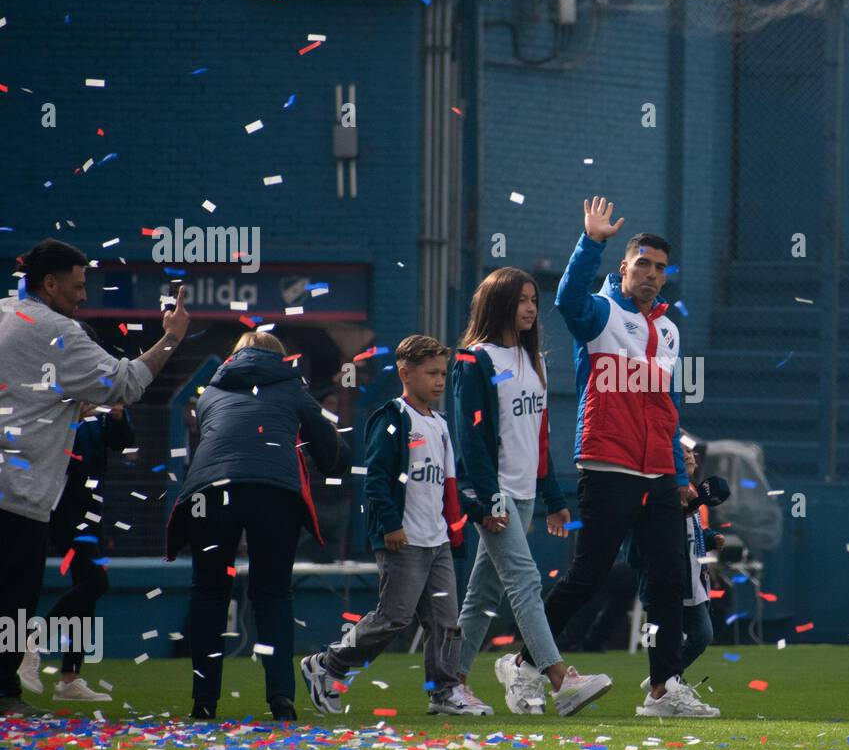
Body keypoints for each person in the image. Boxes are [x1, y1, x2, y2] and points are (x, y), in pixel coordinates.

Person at [518, 195, 715, 717]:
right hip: (607, 465)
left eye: (659, 268)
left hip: (657, 475)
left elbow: (666, 409)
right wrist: (592, 241)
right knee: (589, 575)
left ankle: (662, 689)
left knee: (668, 582)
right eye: (642, 265)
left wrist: (676, 475)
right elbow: (566, 301)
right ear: (624, 267)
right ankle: (523, 662)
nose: (651, 274)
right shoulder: (601, 311)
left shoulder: (669, 330)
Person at [0, 239, 189, 715]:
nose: (84, 296)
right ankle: (5, 693)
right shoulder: (56, 331)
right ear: (50, 283)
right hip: (18, 492)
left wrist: (57, 397)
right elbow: (124, 382)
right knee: (13, 599)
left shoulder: (6, 312)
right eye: (79, 285)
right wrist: (171, 338)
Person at [300, 334, 490, 717]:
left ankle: (444, 692)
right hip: (403, 540)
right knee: (394, 617)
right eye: (432, 373)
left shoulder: (438, 423)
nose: (440, 381)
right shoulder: (393, 418)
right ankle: (328, 663)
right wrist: (390, 524)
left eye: (443, 373)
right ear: (405, 373)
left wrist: (473, 514)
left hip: (436, 539)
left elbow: (446, 483)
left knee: (445, 622)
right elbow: (376, 479)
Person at [166, 331, 351, 721]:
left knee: (209, 594)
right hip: (274, 494)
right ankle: (281, 698)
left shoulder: (212, 390)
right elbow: (333, 457)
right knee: (273, 595)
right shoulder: (292, 387)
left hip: (208, 494)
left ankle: (203, 699)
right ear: (279, 358)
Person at [451, 267, 612, 716]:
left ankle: (449, 683)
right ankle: (561, 679)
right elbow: (471, 440)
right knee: (525, 582)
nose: (529, 308)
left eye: (533, 301)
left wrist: (554, 500)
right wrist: (485, 501)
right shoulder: (474, 360)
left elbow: (538, 438)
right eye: (521, 299)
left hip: (523, 495)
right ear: (498, 302)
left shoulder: (535, 360)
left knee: (483, 596)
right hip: (495, 493)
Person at [20, 349, 135, 703]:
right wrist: (72, 416)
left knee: (87, 589)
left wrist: (117, 417)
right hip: (56, 502)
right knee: (94, 581)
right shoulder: (53, 392)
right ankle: (31, 642)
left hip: (91, 507)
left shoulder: (100, 396)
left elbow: (125, 445)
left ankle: (70, 678)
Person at [629, 444, 728, 703]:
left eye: (690, 452)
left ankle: (665, 679)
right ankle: (665, 684)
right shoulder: (658, 493)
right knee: (674, 635)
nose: (689, 456)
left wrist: (709, 538)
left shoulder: (692, 492)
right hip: (668, 578)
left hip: (692, 579)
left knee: (701, 634)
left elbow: (690, 534)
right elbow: (647, 539)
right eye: (680, 452)